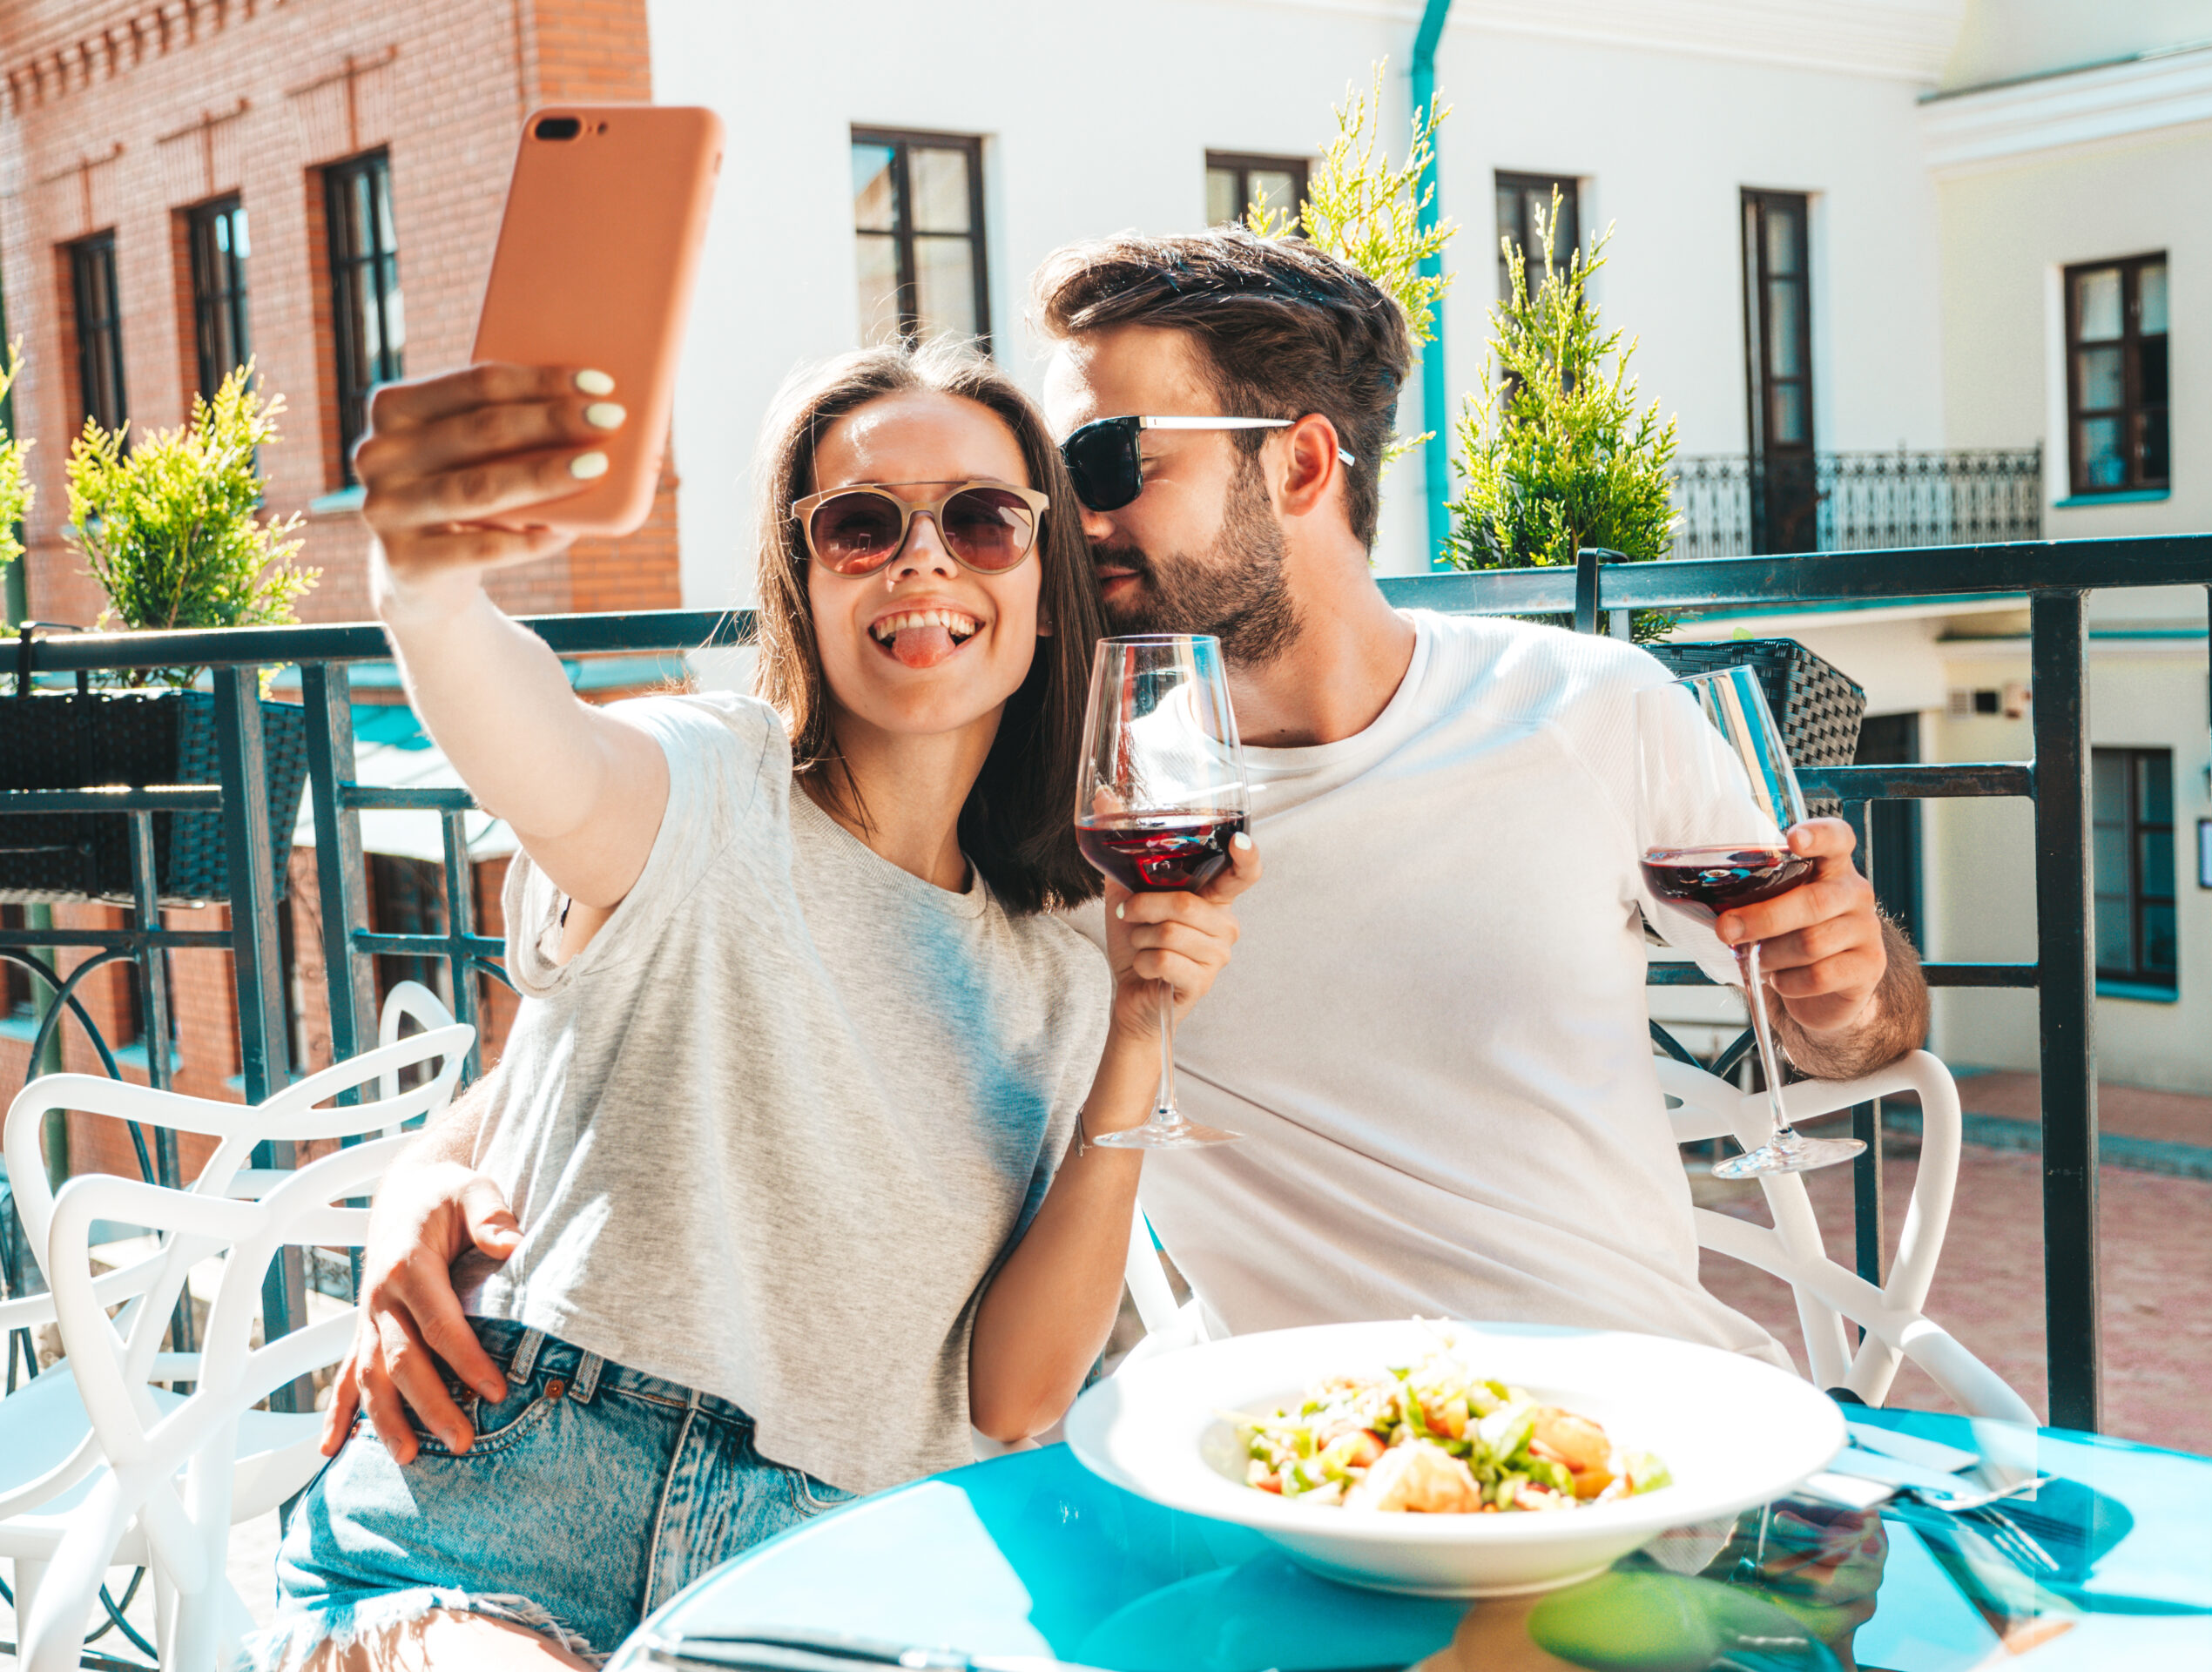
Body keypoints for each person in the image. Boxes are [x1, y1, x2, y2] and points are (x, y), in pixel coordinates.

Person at [329, 228, 1928, 1472]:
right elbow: (679, 959)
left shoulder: (1591, 709)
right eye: (1056, 480)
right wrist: (431, 1178)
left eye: (1105, 466)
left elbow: (1848, 1021)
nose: (1067, 520)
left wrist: (1850, 989)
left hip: (1647, 1413)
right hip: (1301, 1462)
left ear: (1298, 465)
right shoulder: (1092, 809)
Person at [248, 340, 1257, 1671]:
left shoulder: (1067, 959)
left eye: (981, 519)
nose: (924, 560)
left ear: (1046, 590)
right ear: (807, 580)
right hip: (496, 1506)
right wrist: (425, 590)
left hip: (829, 1565)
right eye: (860, 525)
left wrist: (1140, 1027)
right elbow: (543, 752)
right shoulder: (707, 782)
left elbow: (1015, 1396)